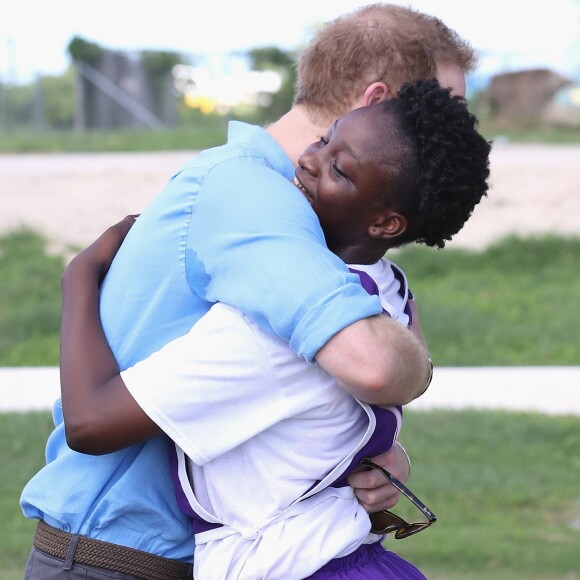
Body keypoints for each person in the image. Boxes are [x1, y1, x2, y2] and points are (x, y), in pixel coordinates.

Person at [21, 3, 480, 578]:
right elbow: (375, 365)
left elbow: (323, 398)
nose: (457, 130)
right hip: (121, 553)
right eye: (448, 106)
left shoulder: (313, 227)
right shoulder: (259, 200)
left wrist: (372, 451)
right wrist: (79, 277)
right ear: (376, 100)